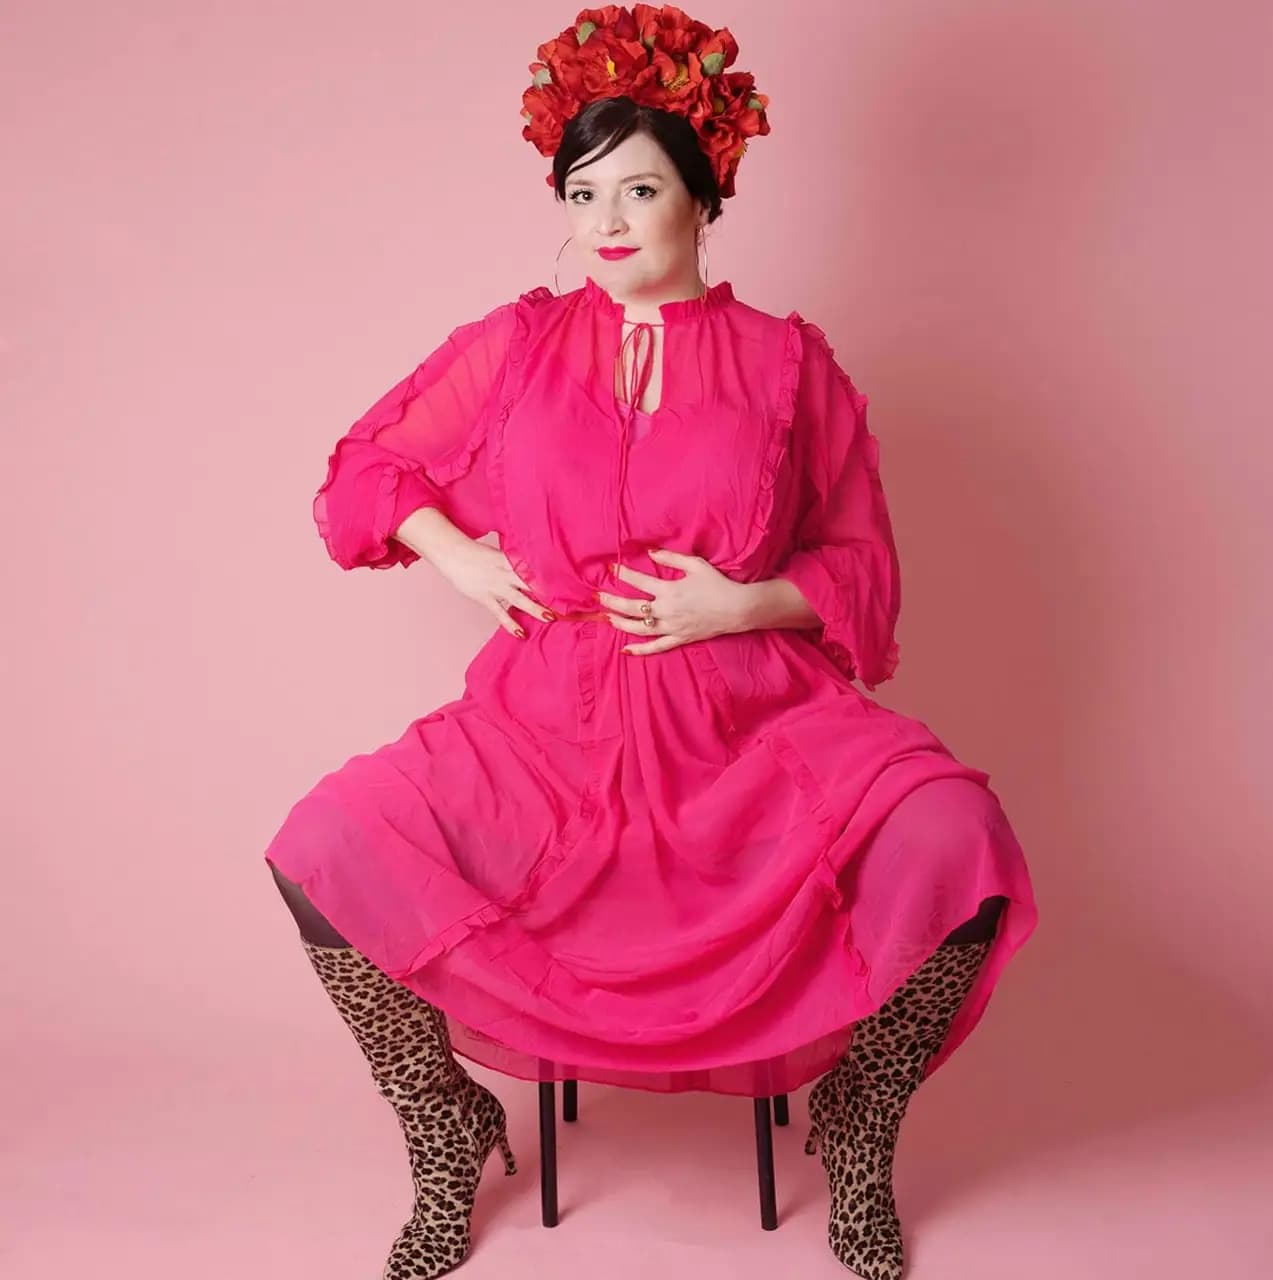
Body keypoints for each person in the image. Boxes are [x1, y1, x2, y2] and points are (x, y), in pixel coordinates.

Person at [263, 7, 1039, 1280]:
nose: (607, 221)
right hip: (545, 722)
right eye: (582, 194)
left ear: (702, 196)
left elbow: (863, 564)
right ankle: (443, 1124)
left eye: (638, 188)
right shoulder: (514, 345)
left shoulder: (786, 363)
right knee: (325, 844)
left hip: (749, 719)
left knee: (958, 834)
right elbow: (365, 472)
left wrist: (742, 604)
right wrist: (459, 555)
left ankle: (860, 1115)